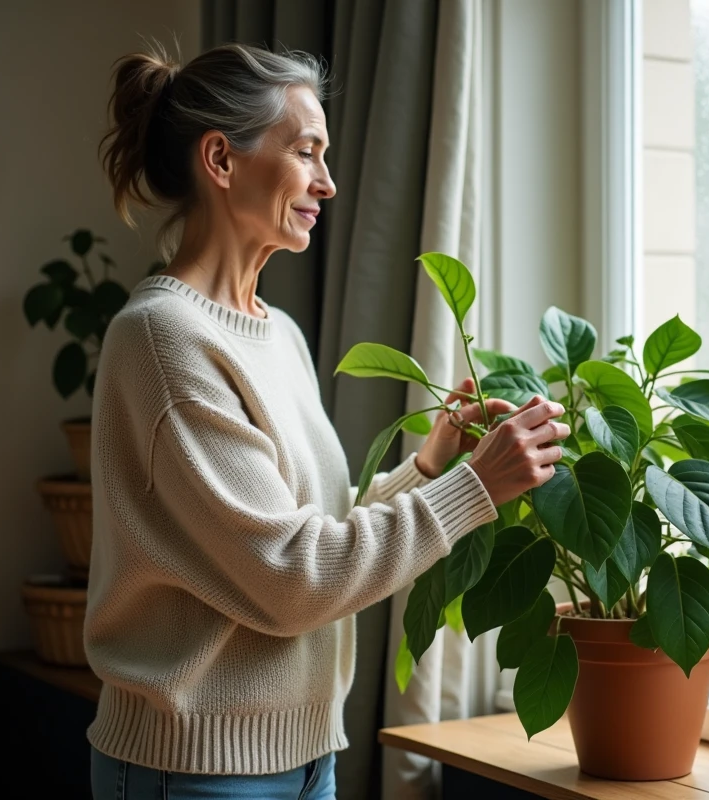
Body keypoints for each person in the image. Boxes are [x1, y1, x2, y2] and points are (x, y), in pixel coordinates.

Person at [84, 42, 567, 800]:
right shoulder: (162, 339)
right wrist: (474, 489)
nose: (329, 182)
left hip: (308, 760)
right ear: (221, 159)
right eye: (307, 151)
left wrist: (431, 465)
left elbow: (315, 535)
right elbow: (289, 580)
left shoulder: (275, 333)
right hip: (197, 771)